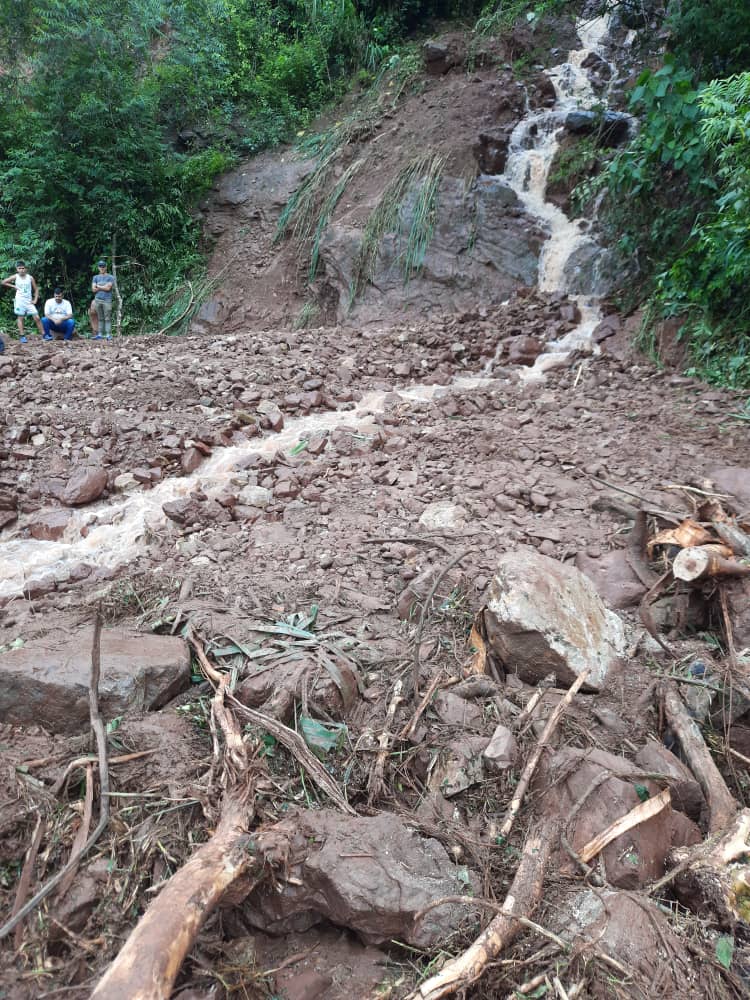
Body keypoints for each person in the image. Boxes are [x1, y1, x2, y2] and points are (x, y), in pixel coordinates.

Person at [1, 262, 45, 342]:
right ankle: (22, 336)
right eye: (20, 268)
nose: (21, 270)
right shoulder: (16, 276)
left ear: (26, 269)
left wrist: (35, 299)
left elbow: (36, 289)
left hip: (28, 301)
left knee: (37, 317)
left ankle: (44, 335)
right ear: (17, 269)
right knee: (20, 317)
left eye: (23, 268)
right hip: (19, 300)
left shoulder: (30, 277)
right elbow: (3, 282)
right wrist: (13, 286)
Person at [91, 259, 115, 339]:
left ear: (106, 267)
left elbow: (108, 288)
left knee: (107, 318)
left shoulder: (110, 277)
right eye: (100, 266)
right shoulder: (95, 277)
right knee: (100, 318)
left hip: (107, 300)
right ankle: (100, 334)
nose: (102, 268)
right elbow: (93, 289)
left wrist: (98, 286)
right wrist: (103, 287)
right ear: (98, 267)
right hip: (98, 300)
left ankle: (108, 335)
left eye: (103, 266)